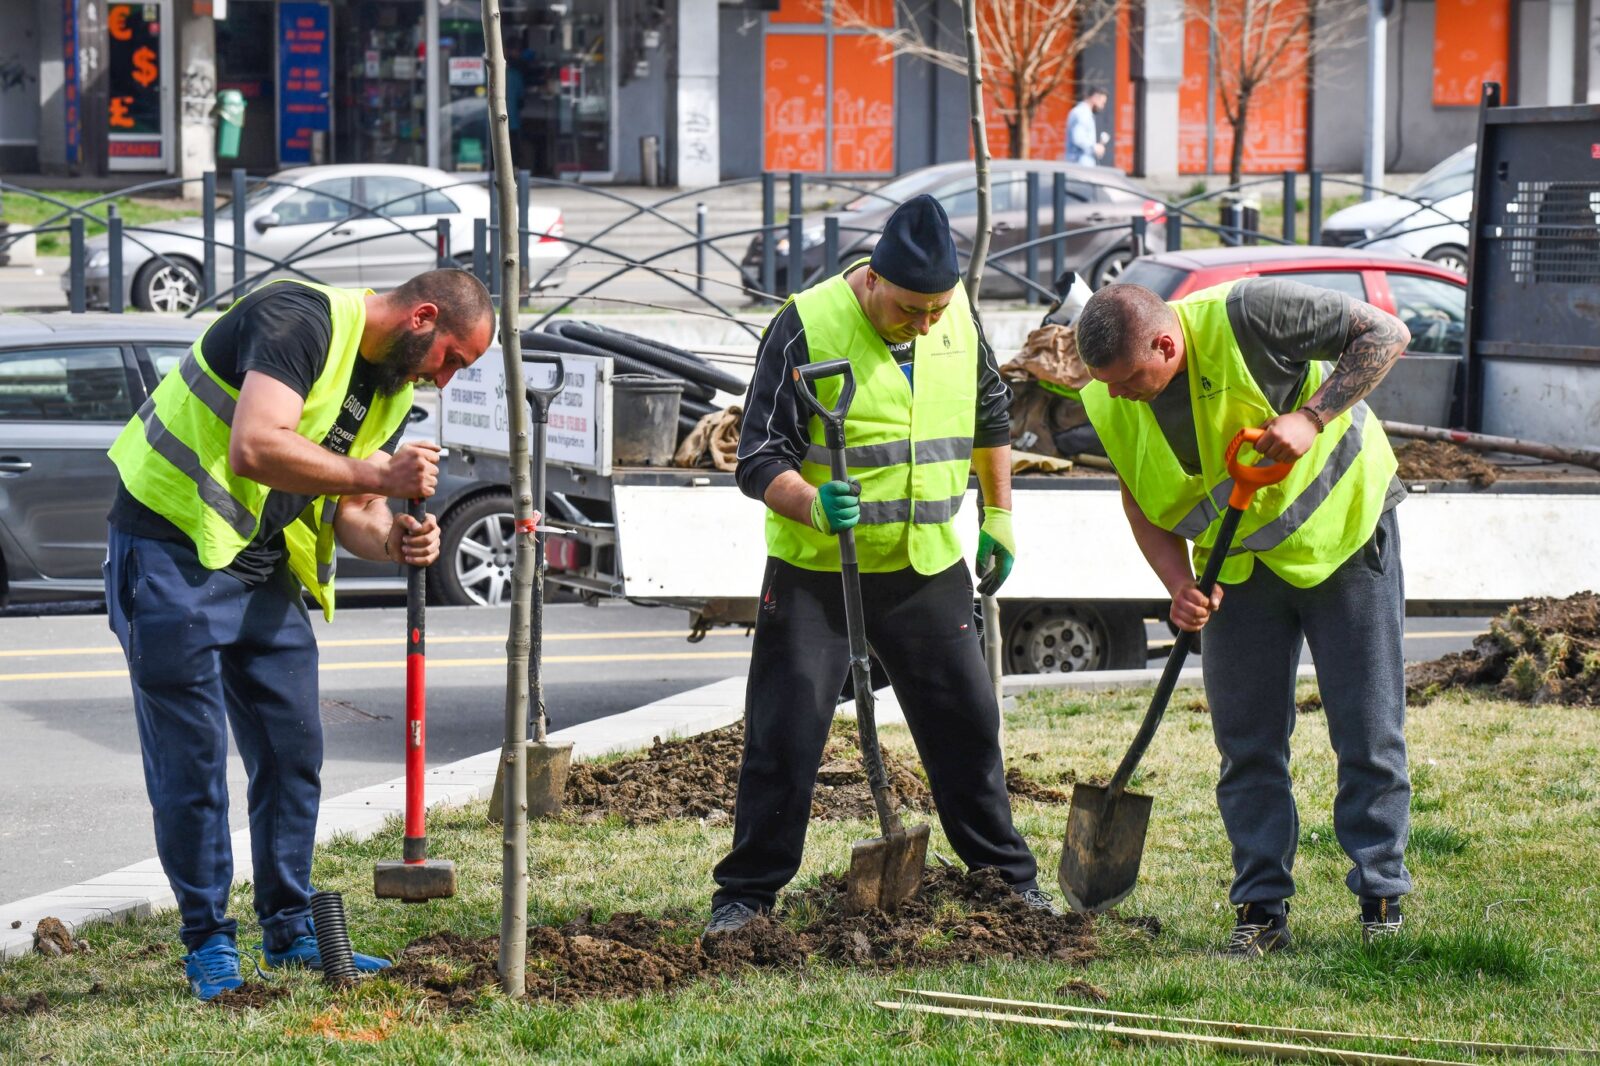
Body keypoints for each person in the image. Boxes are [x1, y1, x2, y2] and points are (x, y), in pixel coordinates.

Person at [103, 269, 494, 999]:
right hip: (167, 547)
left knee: (293, 750)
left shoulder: (390, 389)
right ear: (423, 318)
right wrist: (372, 469)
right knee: (191, 767)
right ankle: (208, 944)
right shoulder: (298, 319)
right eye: (452, 359)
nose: (445, 380)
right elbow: (256, 445)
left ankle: (287, 929)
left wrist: (397, 539)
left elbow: (355, 509)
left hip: (257, 565)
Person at [705, 194, 1054, 936]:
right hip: (818, 573)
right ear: (873, 281)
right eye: (909, 309)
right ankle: (745, 897)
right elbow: (756, 453)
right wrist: (807, 502)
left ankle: (1007, 882)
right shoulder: (808, 322)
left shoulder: (956, 316)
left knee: (967, 725)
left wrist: (998, 513)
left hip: (926, 564)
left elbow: (991, 416)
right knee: (786, 731)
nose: (925, 323)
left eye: (937, 308)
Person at [1072, 278, 1414, 956]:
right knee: (1247, 744)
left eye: (1128, 380)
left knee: (1367, 729)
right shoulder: (1112, 398)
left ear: (1166, 345)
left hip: (1342, 543)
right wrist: (1177, 583)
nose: (1115, 396)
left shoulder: (1250, 315)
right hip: (1234, 574)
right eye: (1106, 384)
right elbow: (1141, 501)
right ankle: (1261, 911)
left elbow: (1386, 334)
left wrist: (1310, 417)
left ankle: (1380, 898)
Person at [1065, 87, 1108, 166]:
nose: (1102, 107)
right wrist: (1095, 147)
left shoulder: (1080, 112)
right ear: (1095, 97)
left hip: (1078, 165)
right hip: (1080, 167)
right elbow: (1078, 138)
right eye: (1102, 103)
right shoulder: (1083, 113)